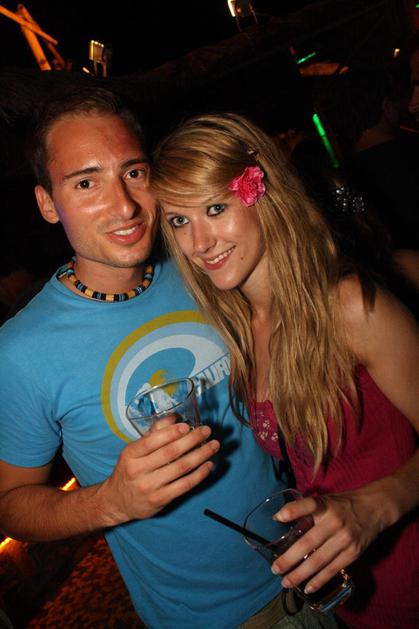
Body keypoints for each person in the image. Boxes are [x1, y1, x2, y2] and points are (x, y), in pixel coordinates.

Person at [0, 87, 339, 629]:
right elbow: (11, 504)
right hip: (215, 618)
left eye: (133, 173)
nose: (124, 205)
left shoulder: (204, 263)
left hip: (318, 556)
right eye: (86, 183)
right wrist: (110, 502)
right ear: (46, 203)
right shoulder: (21, 350)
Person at [151, 112, 419, 629]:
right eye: (179, 220)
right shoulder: (238, 329)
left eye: (215, 208)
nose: (198, 243)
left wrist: (374, 506)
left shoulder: (349, 307)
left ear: (262, 194)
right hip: (351, 601)